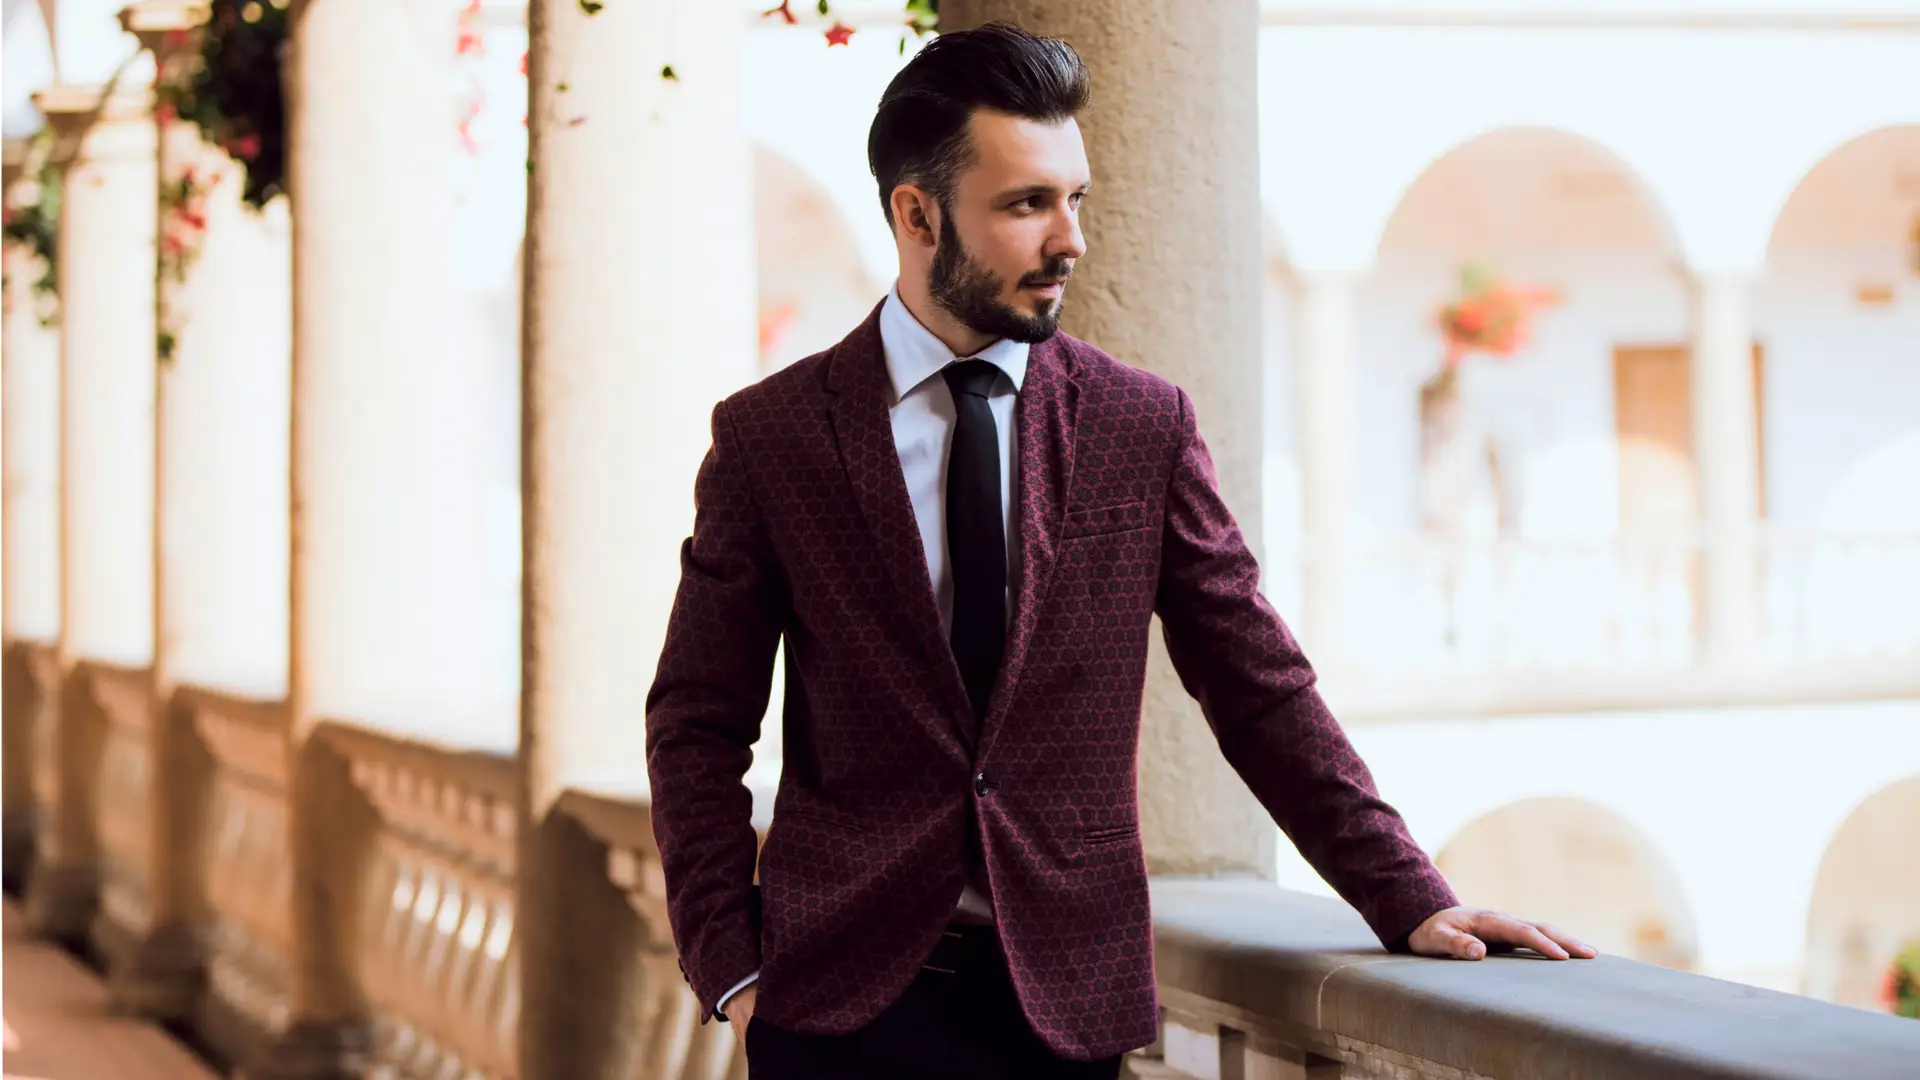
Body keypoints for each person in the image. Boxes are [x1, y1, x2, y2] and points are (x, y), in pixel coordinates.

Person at [644, 22, 1595, 1080]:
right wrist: (730, 967)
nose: (1071, 241)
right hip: (840, 1012)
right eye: (1025, 205)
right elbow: (696, 720)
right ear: (916, 215)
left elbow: (1258, 686)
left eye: (1075, 199)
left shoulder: (1140, 428)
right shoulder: (773, 437)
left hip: (1068, 1011)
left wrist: (1411, 896)